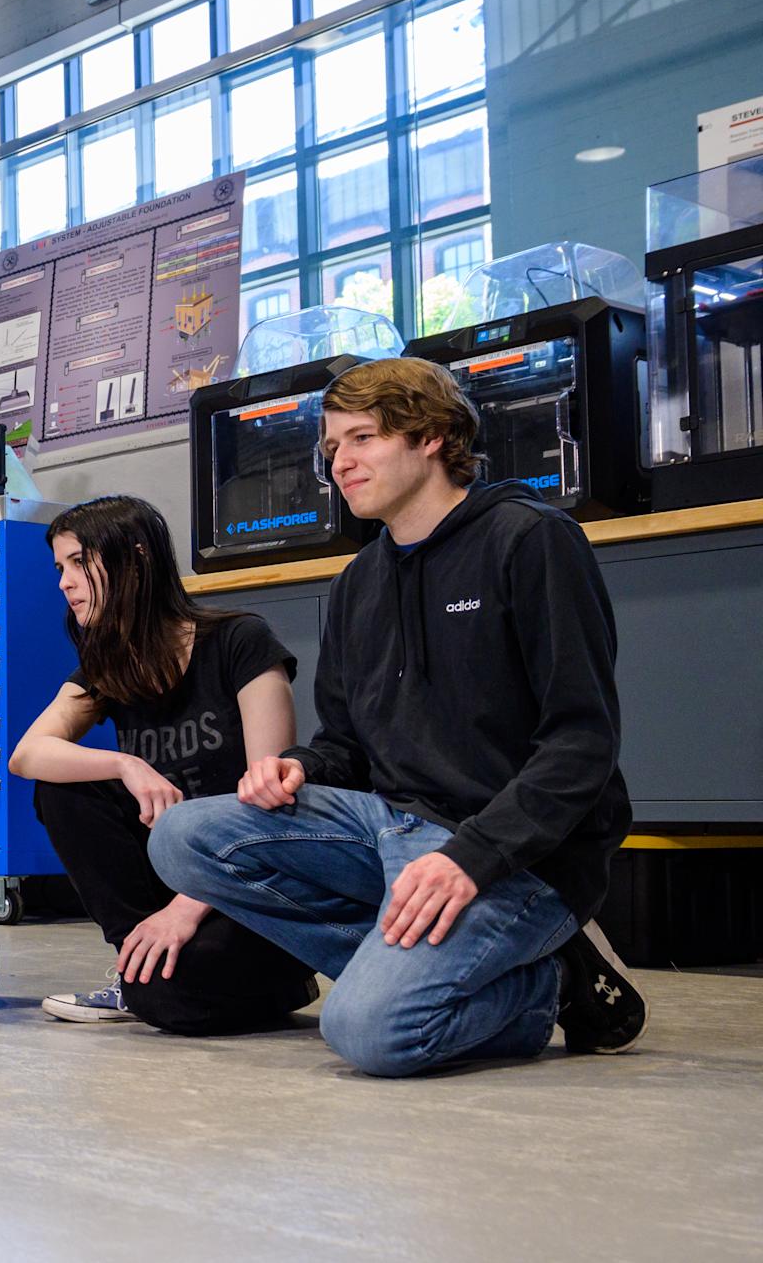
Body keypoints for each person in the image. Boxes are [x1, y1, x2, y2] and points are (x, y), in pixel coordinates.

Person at [149, 358, 648, 1077]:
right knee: (181, 837)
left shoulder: (529, 540)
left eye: (362, 439)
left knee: (368, 1034)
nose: (340, 465)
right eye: (330, 449)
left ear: (435, 437)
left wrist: (470, 859)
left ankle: (551, 983)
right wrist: (298, 769)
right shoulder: (358, 583)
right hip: (391, 831)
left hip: (516, 858)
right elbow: (346, 744)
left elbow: (581, 742)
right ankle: (470, 971)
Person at [9, 495, 318, 1033]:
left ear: (135, 560)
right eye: (59, 568)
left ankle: (264, 976)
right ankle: (135, 964)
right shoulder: (109, 667)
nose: (64, 582)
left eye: (80, 562)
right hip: (171, 887)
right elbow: (27, 755)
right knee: (62, 787)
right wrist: (126, 765)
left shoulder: (239, 641)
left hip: (249, 886)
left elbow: (270, 807)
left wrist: (187, 909)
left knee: (170, 1003)